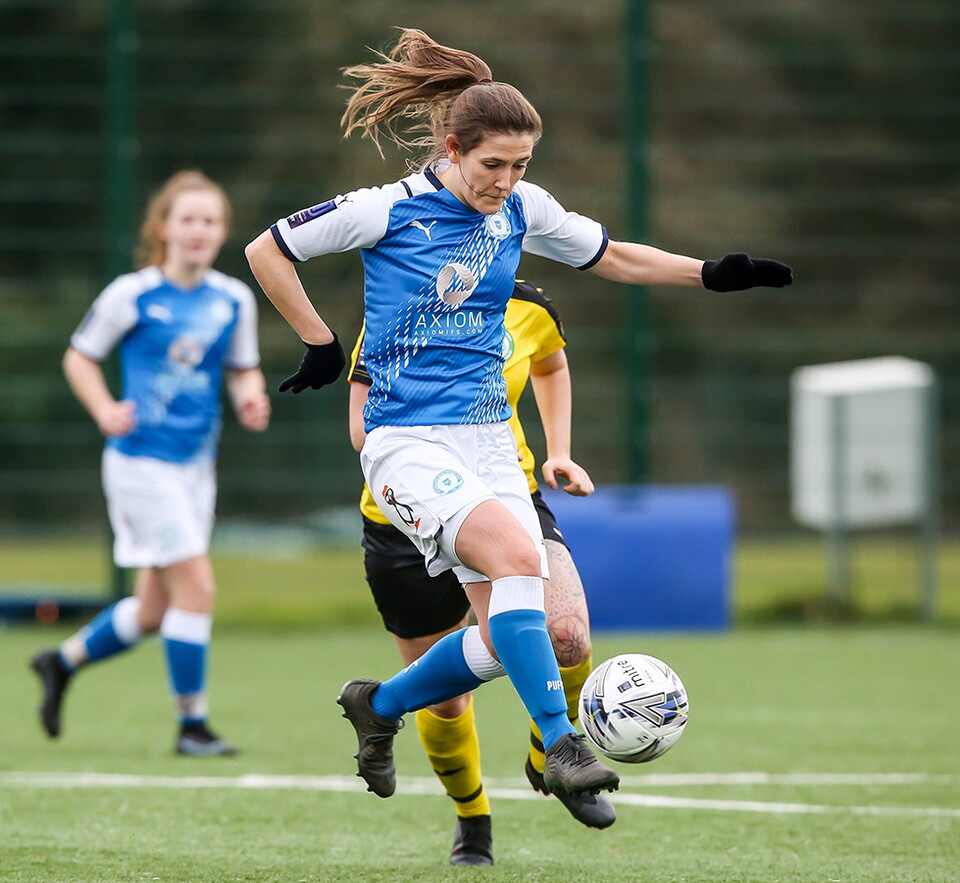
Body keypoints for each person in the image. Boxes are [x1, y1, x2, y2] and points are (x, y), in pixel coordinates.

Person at [244, 26, 791, 830]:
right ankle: (564, 745)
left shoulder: (522, 207)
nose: (506, 181)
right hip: (406, 441)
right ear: (454, 148)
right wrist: (320, 340)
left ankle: (380, 702)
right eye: (492, 165)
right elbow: (268, 249)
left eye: (521, 166)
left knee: (508, 631)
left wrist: (707, 273)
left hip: (490, 438)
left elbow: (609, 255)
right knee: (514, 558)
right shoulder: (385, 210)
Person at [348, 279, 611, 865]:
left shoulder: (530, 305)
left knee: (565, 634)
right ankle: (473, 820)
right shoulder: (398, 302)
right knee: (446, 705)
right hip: (405, 516)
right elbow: (362, 427)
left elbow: (551, 364)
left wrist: (558, 449)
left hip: (507, 488)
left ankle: (554, 748)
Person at [30, 170, 270, 756]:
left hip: (195, 466)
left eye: (210, 221)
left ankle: (59, 662)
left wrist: (249, 396)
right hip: (140, 465)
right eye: (187, 219)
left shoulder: (232, 298)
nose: (199, 230)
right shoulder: (130, 293)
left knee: (155, 609)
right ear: (163, 227)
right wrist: (104, 407)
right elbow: (80, 357)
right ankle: (193, 726)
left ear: (221, 232)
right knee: (197, 588)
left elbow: (242, 367)